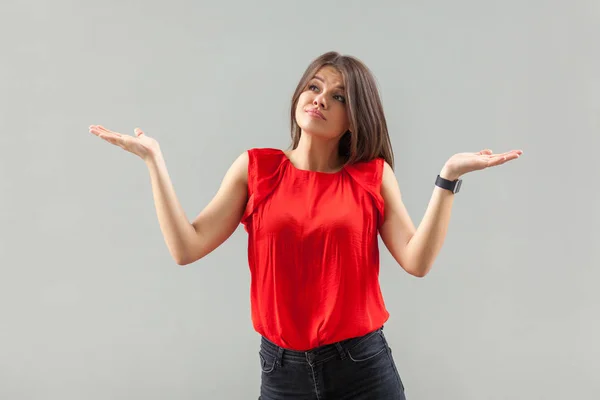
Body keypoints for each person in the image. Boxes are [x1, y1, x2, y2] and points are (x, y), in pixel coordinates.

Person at [89, 51, 522, 399]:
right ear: (299, 94)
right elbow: (186, 247)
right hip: (282, 372)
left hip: (362, 370)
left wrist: (448, 177)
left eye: (338, 96)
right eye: (314, 87)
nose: (320, 99)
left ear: (354, 118)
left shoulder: (370, 176)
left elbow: (416, 260)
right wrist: (153, 160)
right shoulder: (258, 169)